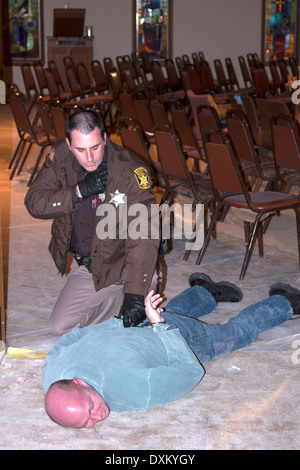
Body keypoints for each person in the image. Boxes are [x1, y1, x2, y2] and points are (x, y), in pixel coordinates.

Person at [43, 273, 299, 429]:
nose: (96, 416)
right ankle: (204, 291)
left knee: (236, 334)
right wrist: (122, 321)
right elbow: (71, 338)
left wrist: (158, 326)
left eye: (89, 406)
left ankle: (286, 301)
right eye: (86, 422)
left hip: (181, 338)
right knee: (167, 313)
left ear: (77, 382)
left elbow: (190, 371)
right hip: (137, 323)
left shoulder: (134, 392)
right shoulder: (52, 375)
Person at [24, 110, 160, 334]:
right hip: (91, 268)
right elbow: (34, 203)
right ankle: (132, 303)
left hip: (126, 263)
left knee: (135, 313)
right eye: (80, 149)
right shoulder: (60, 158)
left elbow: (144, 234)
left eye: (95, 147)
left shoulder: (130, 170)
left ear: (105, 139)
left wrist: (134, 292)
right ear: (69, 144)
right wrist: (78, 191)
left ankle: (142, 289)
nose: (89, 157)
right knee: (59, 326)